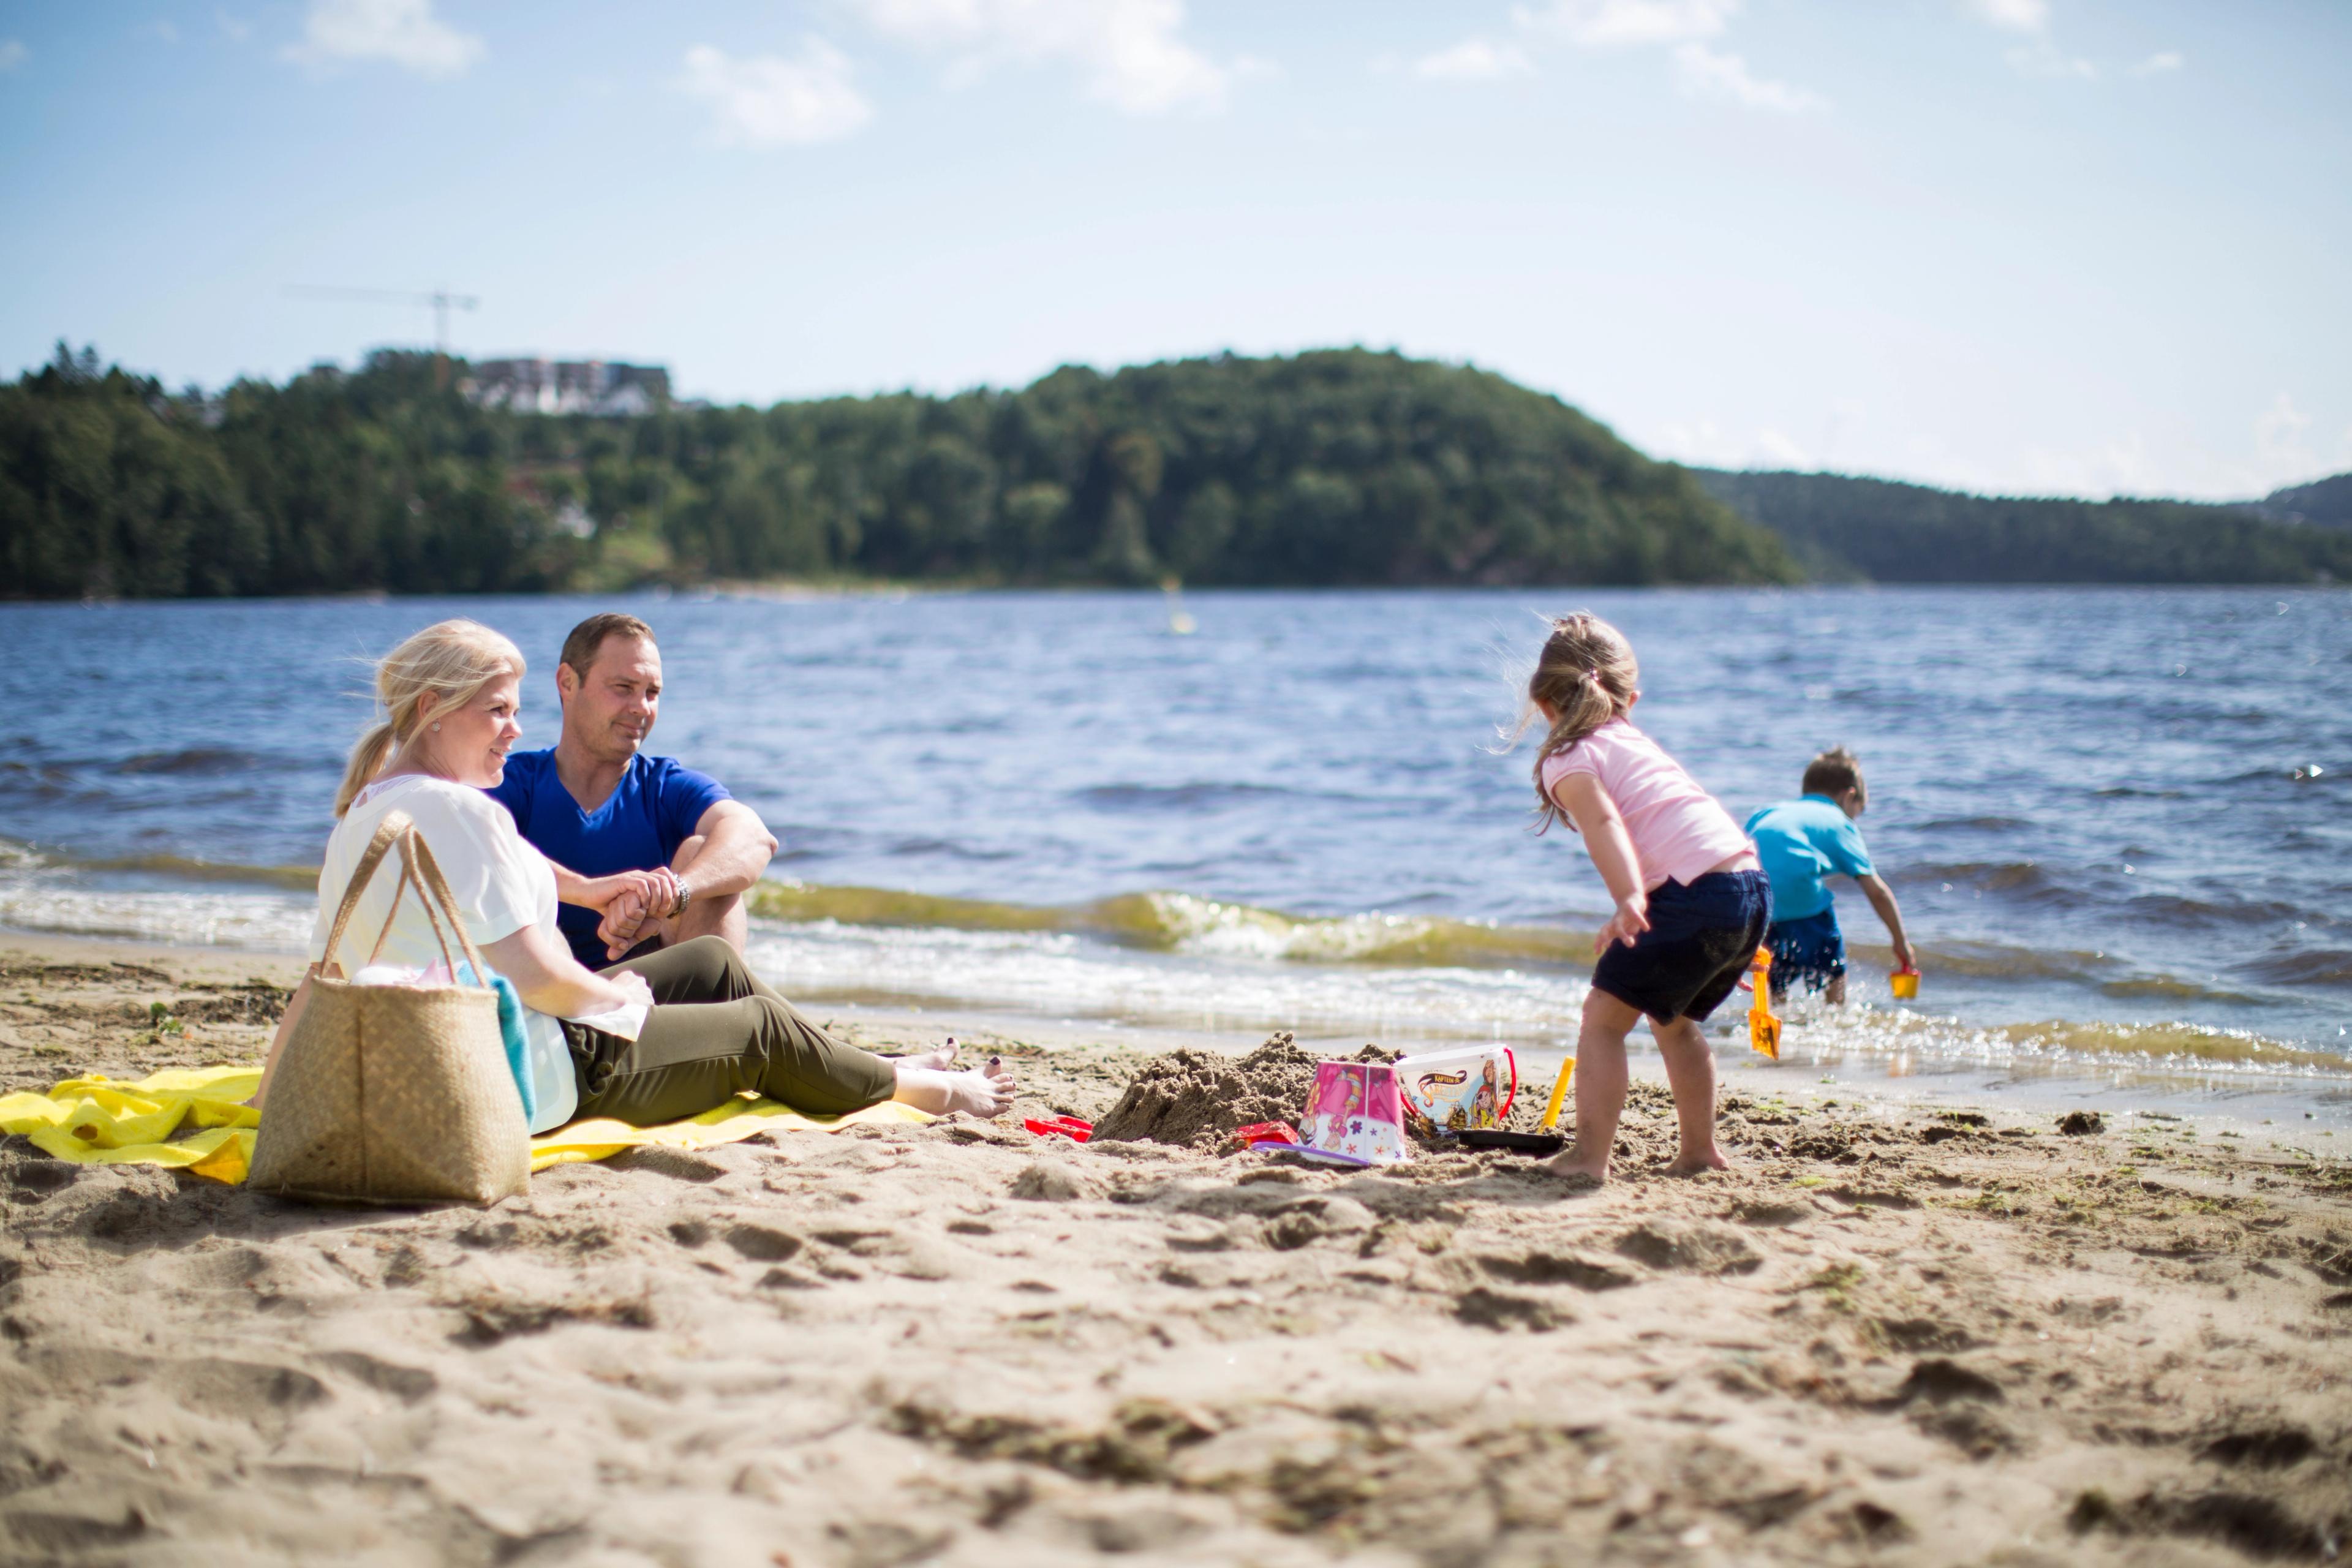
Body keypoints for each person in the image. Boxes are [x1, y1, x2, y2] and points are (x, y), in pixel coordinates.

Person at [255, 620, 1014, 1132]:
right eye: (496, 712)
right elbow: (541, 980)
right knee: (756, 1033)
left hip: (485, 1051)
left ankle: (857, 1065)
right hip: (530, 1076)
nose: (514, 729)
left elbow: (319, 977)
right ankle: (934, 1090)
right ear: (433, 711)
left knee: (713, 961)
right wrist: (619, 997)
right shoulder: (464, 809)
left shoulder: (366, 814)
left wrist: (270, 1095)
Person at [1515, 613, 1770, 1185]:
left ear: (1546, 705)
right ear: (1629, 699)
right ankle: (1700, 1151)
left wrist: (1629, 896)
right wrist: (1737, 930)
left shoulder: (1570, 756)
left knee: (1602, 1021)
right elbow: (1694, 820)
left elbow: (1606, 823)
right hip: (1747, 884)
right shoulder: (1634, 741)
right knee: (1672, 1019)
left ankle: (1588, 1160)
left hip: (1693, 893)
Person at [486, 612, 774, 968]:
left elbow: (754, 838)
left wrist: (673, 894)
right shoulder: (511, 782)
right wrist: (589, 892)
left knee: (705, 853)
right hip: (538, 992)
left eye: (652, 693)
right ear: (567, 683)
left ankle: (707, 1015)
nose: (642, 708)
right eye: (624, 688)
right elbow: (462, 850)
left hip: (651, 1000)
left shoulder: (664, 786)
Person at [1745, 747, 1915, 1005]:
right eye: (1859, 810)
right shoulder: (1838, 820)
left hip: (1756, 904)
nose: (1854, 817)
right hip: (1802, 904)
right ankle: (1834, 1012)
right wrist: (1900, 942)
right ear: (1850, 797)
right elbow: (1877, 892)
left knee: (1775, 975)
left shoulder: (1766, 812)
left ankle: (1777, 1017)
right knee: (1832, 970)